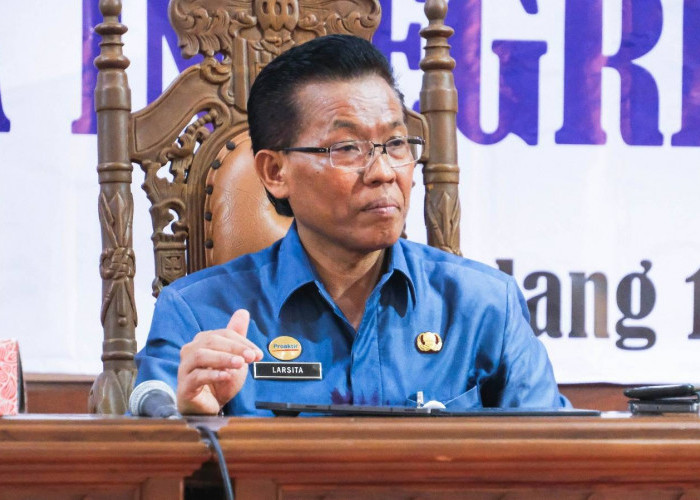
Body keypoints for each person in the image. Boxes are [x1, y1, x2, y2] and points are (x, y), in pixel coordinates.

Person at [135, 34, 570, 415]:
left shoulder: (484, 307)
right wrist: (193, 423)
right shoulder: (197, 314)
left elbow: (556, 456)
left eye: (396, 143)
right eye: (347, 148)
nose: (383, 172)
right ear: (275, 172)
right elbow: (149, 451)